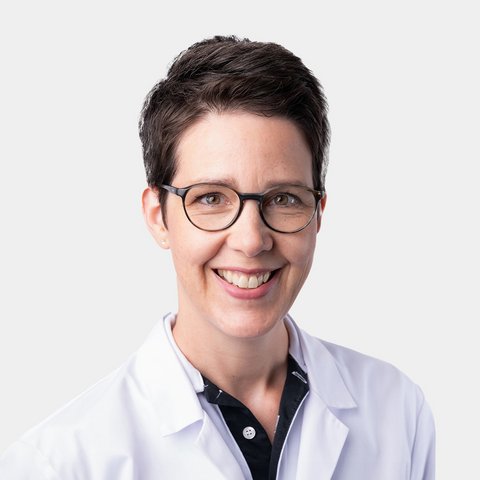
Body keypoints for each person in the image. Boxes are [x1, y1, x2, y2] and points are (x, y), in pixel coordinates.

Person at [0, 35, 435, 479]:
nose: (251, 240)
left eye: (284, 199)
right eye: (211, 198)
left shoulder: (396, 411)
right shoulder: (59, 463)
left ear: (318, 215)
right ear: (158, 217)